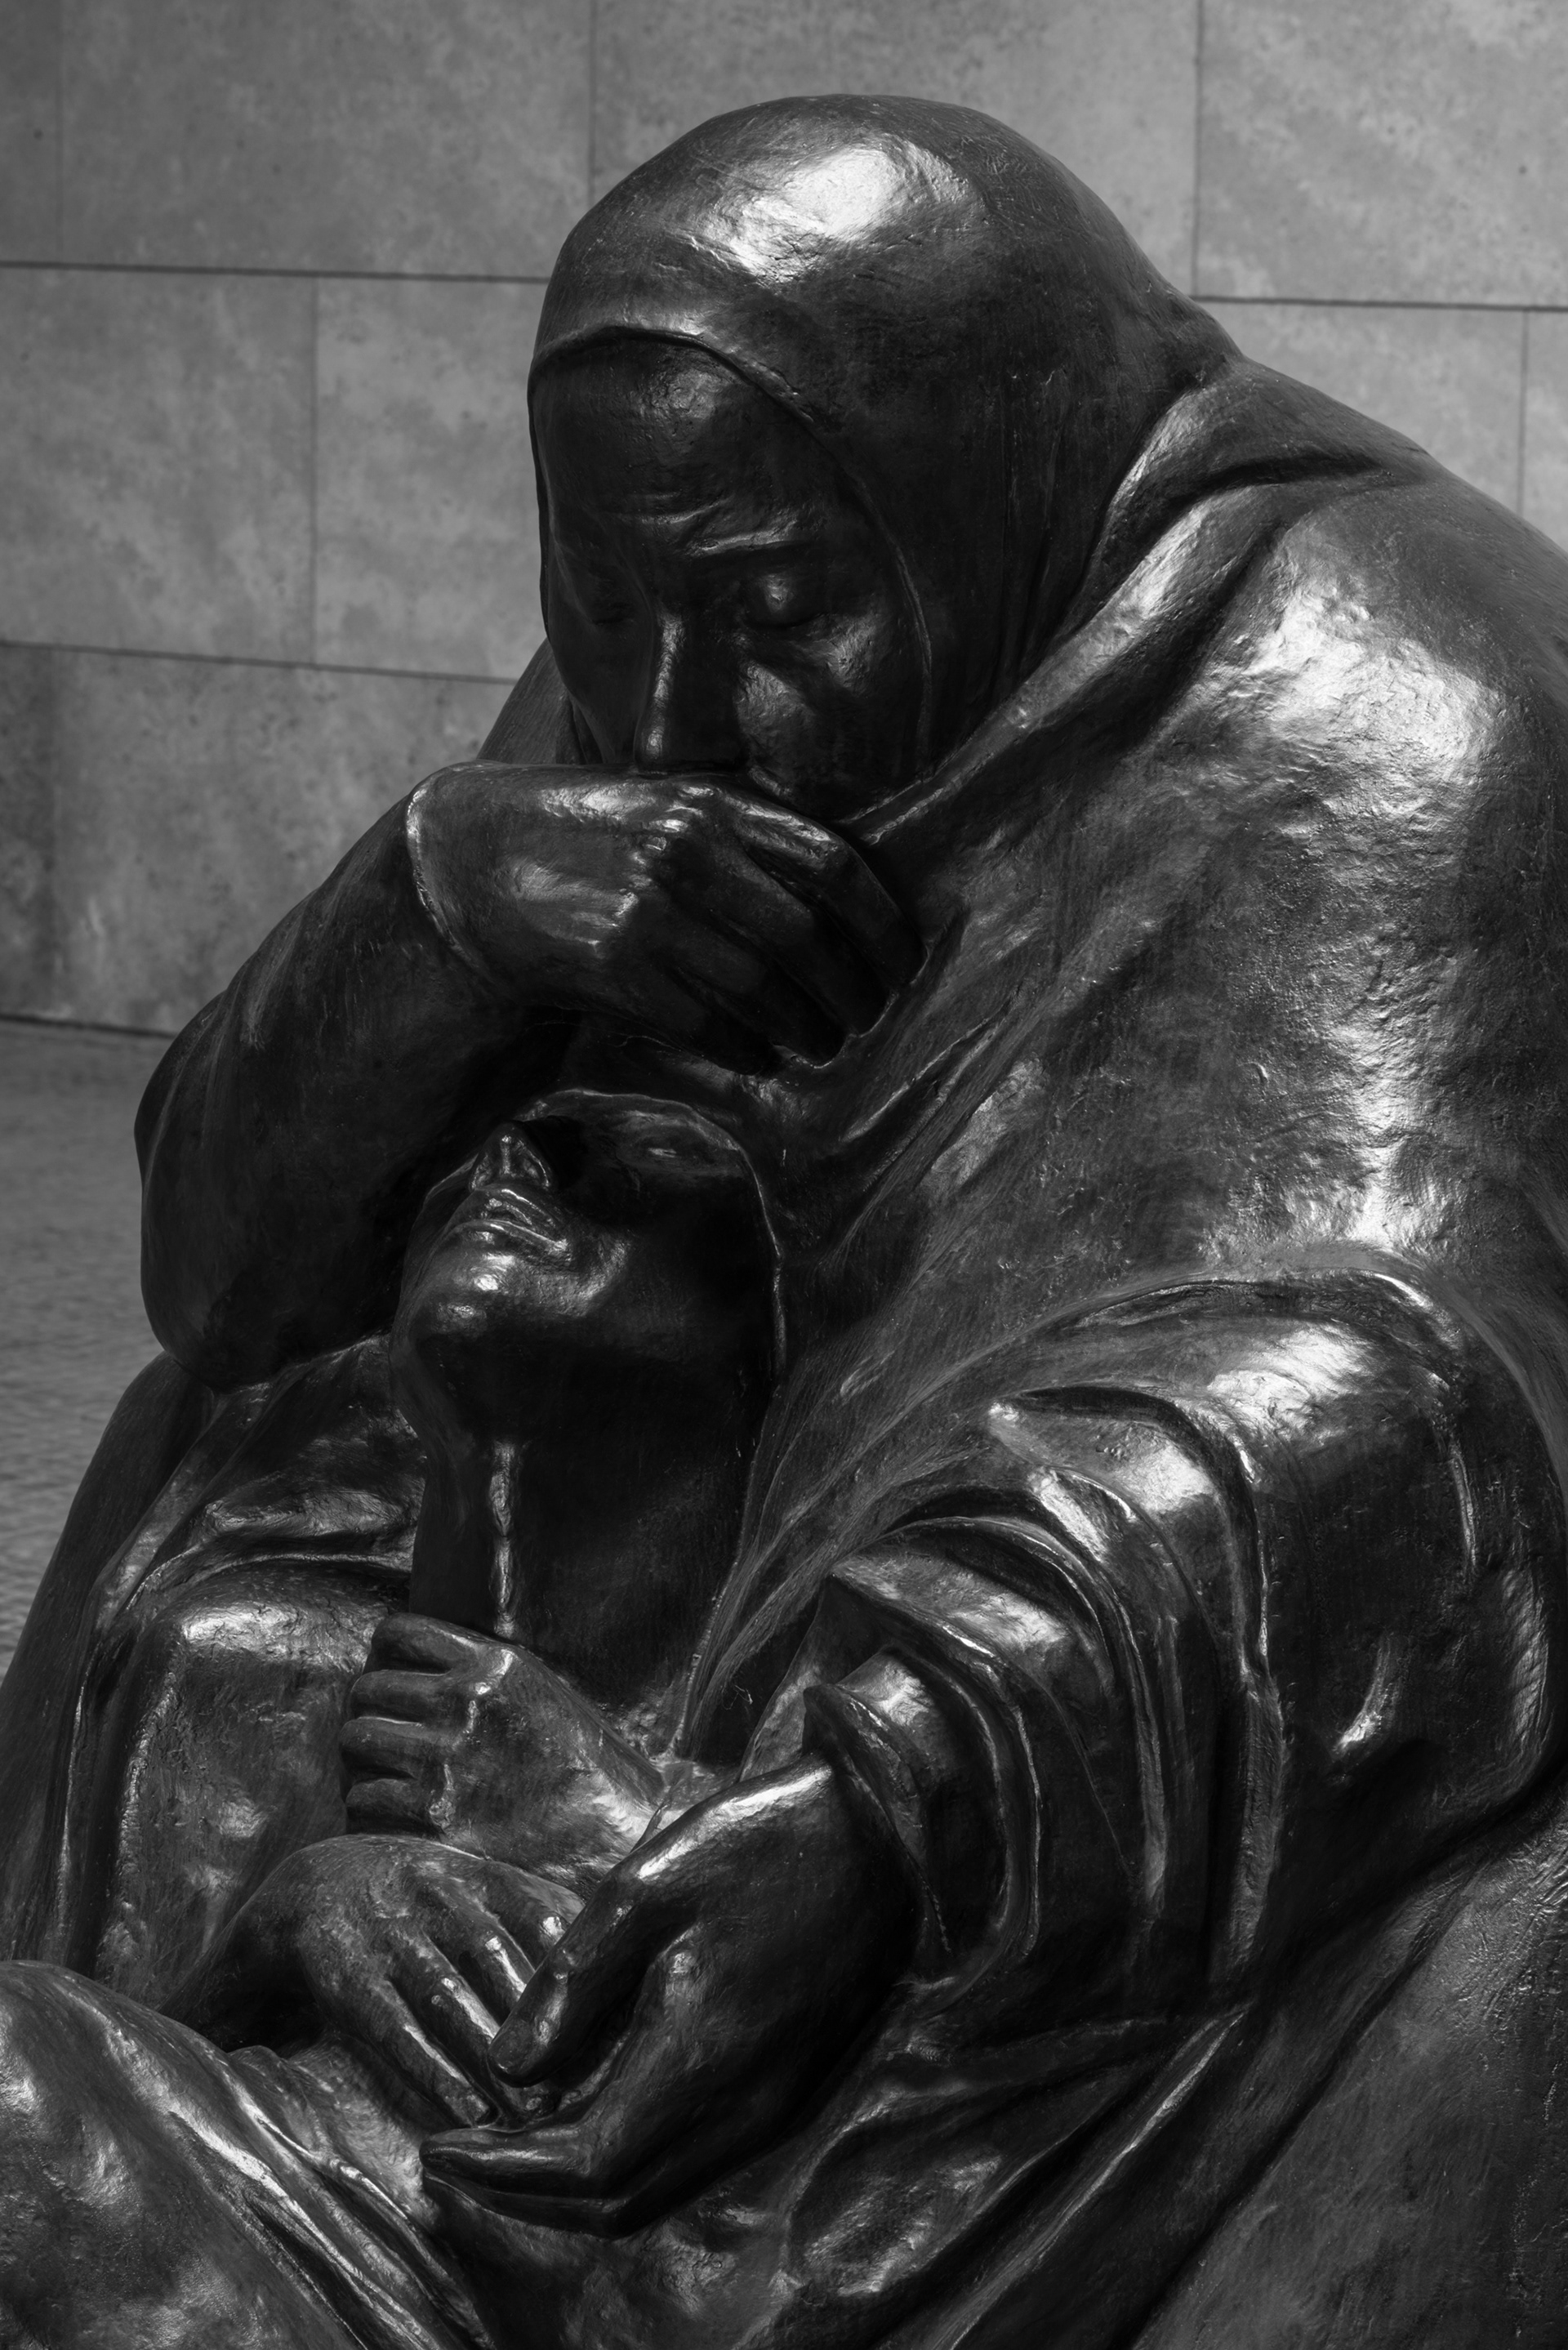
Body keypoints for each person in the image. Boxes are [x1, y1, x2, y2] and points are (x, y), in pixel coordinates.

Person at [3, 90, 1568, 2348]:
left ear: (986, 489)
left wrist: (874, 1787)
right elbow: (223, 1270)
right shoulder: (700, 640)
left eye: (770, 613)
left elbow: (1422, 1408)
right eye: (598, 603)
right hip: (625, 1701)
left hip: (1007, 1819)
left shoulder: (1422, 724)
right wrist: (444, 897)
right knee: (208, 1525)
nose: (669, 710)